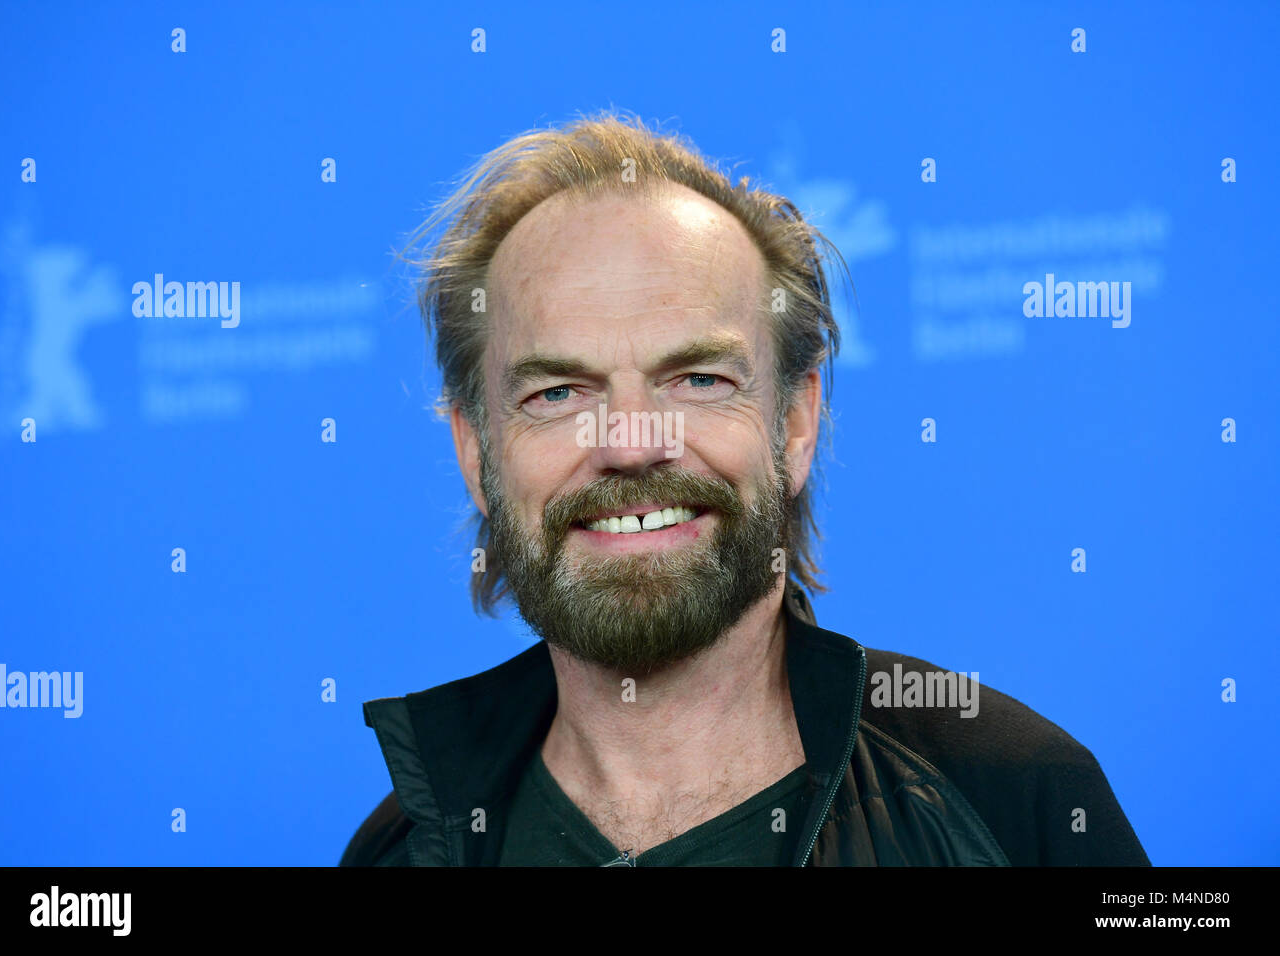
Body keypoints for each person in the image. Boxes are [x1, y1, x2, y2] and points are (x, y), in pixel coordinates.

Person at [340, 112, 1149, 866]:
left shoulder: (1012, 801)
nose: (629, 443)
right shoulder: (401, 852)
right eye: (557, 394)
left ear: (795, 424)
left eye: (696, 379)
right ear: (476, 453)